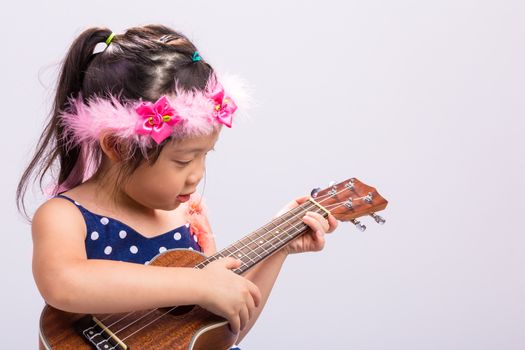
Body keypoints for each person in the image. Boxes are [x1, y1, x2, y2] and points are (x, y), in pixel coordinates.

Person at [16, 24, 338, 348]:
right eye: (183, 161)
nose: (197, 174)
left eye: (204, 157)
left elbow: (217, 332)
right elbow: (64, 283)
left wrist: (277, 243)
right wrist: (197, 284)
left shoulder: (188, 214)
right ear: (117, 145)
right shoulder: (65, 216)